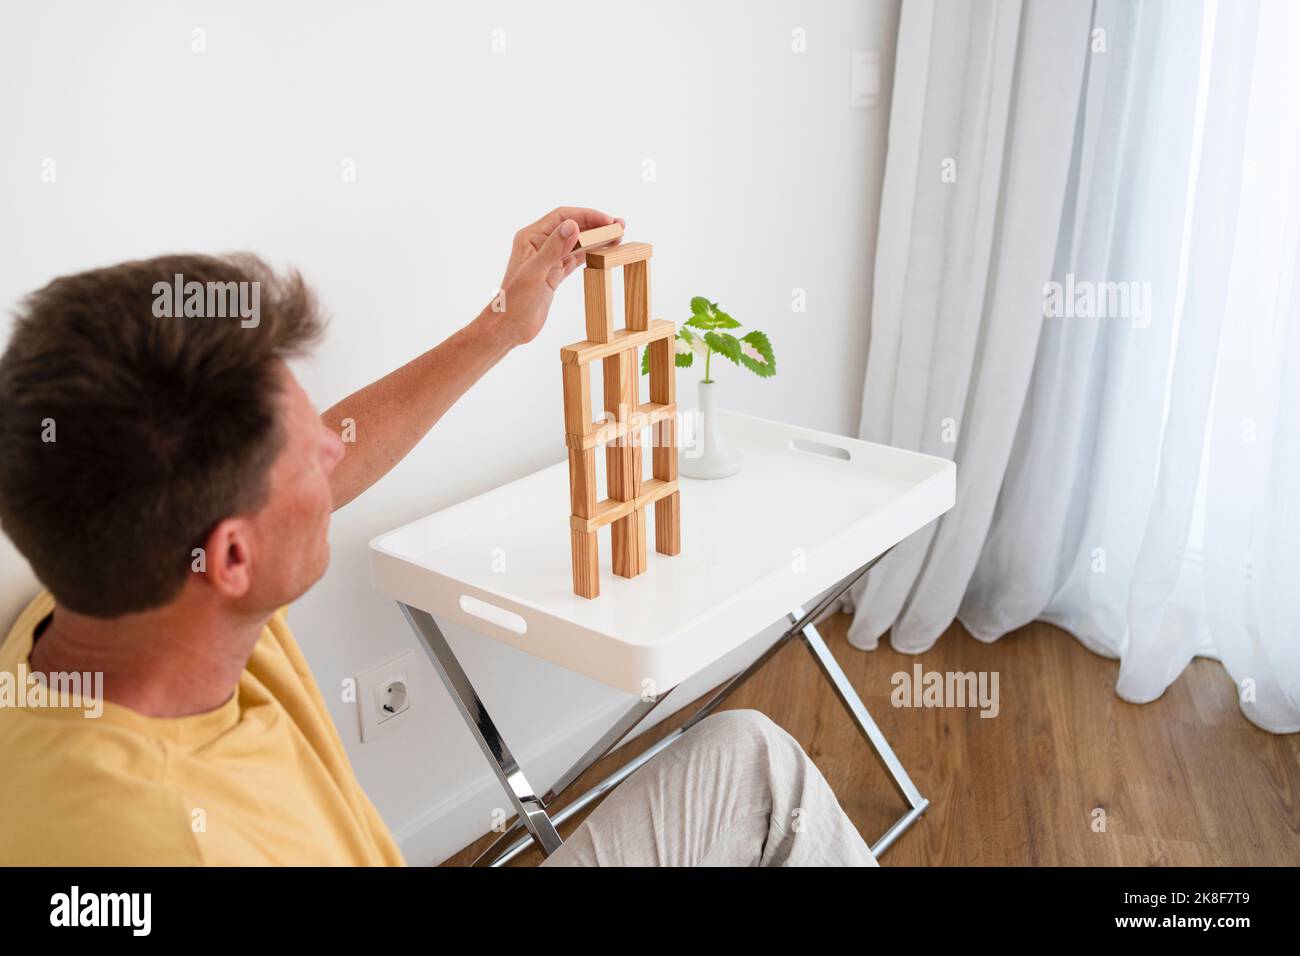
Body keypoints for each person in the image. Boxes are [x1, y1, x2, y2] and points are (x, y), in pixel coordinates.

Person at [0, 208, 876, 867]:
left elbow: (336, 450)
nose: (334, 447)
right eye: (307, 458)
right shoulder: (159, 839)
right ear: (233, 558)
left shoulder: (112, 588)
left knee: (752, 761)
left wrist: (502, 322)